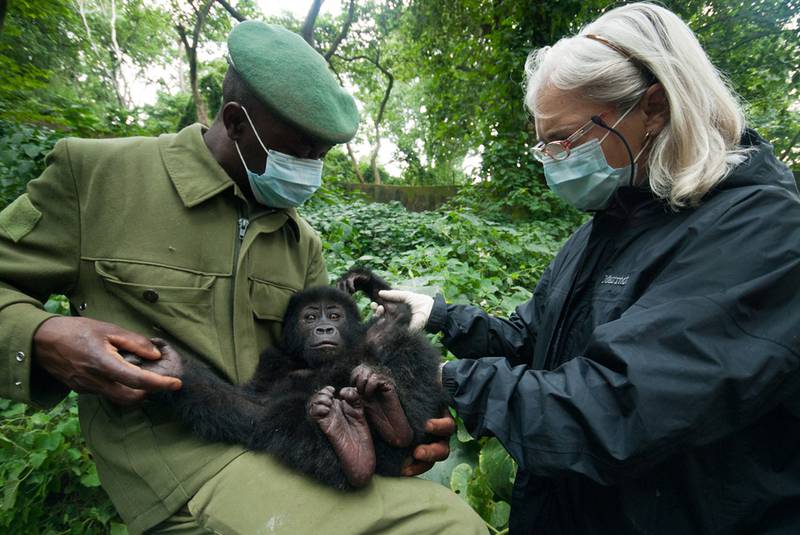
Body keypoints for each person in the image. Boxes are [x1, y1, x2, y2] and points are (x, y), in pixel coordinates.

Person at [0, 21, 485, 535]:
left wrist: (405, 414)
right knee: (444, 525)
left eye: (321, 156)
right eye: (299, 152)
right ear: (234, 121)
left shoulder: (302, 241)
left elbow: (326, 364)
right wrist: (42, 337)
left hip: (291, 435)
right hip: (179, 466)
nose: (311, 169)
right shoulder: (98, 178)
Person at [379, 3, 800, 534]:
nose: (553, 157)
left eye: (567, 138)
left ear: (655, 107)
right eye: (543, 143)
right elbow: (534, 340)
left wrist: (444, 381)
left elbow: (618, 406)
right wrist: (441, 316)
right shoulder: (607, 225)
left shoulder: (761, 231)